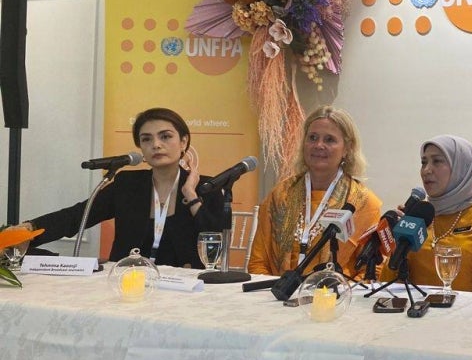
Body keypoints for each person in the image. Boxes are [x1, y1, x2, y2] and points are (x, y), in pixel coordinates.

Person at [21, 107, 224, 267]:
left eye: (165, 136)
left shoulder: (208, 186)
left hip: (183, 288)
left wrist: (191, 195)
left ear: (183, 142)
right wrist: (29, 230)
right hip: (127, 284)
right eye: (146, 139)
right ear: (140, 147)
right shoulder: (128, 184)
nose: (156, 144)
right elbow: (77, 216)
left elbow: (216, 243)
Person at [248, 106, 381, 276]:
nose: (319, 145)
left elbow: (370, 272)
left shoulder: (363, 203)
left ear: (347, 148)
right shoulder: (281, 194)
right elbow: (258, 262)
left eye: (329, 140)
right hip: (276, 296)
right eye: (312, 138)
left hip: (336, 298)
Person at [379, 135, 472, 294]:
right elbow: (388, 286)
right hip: (414, 314)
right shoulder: (418, 216)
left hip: (467, 316)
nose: (426, 170)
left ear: (460, 168)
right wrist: (397, 244)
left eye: (437, 161)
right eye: (423, 162)